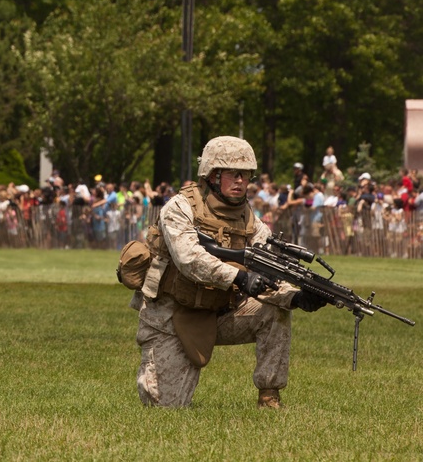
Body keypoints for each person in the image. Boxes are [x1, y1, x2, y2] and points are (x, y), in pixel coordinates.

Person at [134, 136, 327, 409]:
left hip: (219, 311)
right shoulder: (179, 208)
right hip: (170, 316)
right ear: (212, 175)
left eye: (246, 175)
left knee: (275, 311)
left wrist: (294, 297)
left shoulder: (249, 220)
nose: (241, 181)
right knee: (163, 407)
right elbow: (190, 259)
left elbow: (268, 269)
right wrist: (239, 277)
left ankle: (269, 396)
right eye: (233, 174)